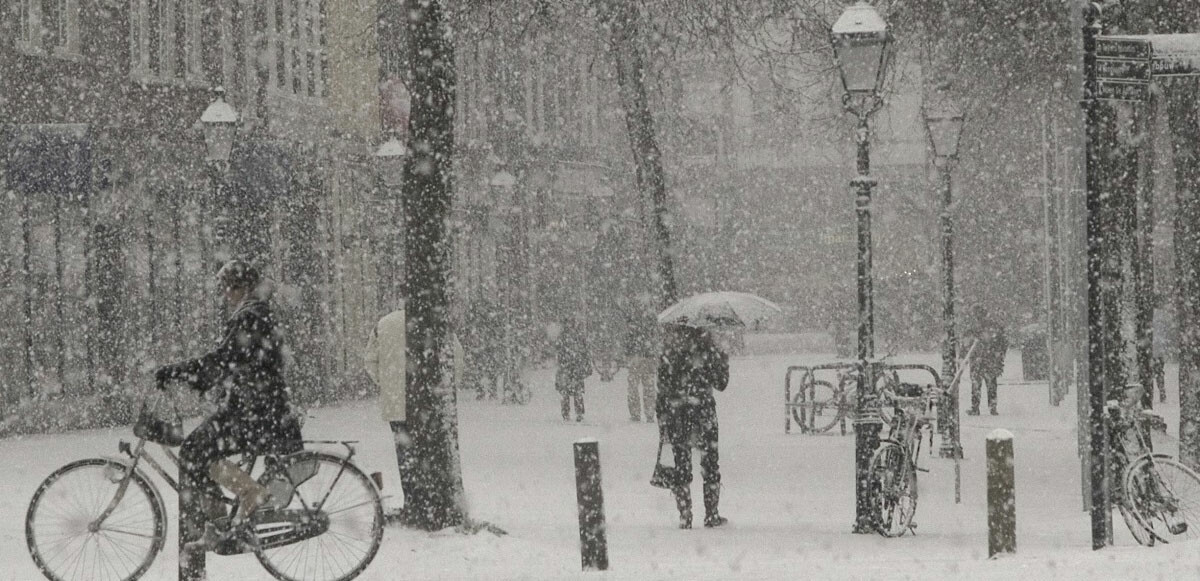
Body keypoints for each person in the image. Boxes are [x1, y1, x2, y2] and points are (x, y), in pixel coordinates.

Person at [155, 259, 302, 544]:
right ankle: (218, 525)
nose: (225, 295)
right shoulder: (259, 312)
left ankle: (246, 497)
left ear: (244, 287)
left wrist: (177, 372)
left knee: (193, 451)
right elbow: (234, 362)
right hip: (261, 408)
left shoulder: (250, 315)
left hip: (255, 412)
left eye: (228, 288)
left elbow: (222, 360)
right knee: (198, 451)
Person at [657, 324, 729, 529]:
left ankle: (685, 515)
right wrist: (722, 359)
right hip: (703, 412)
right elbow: (721, 383)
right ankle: (711, 514)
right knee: (710, 463)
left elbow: (662, 384)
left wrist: (663, 413)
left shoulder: (671, 349)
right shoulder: (710, 349)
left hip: (677, 412)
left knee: (681, 463)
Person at [364, 301, 414, 517]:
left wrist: (385, 383)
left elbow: (370, 360)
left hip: (395, 402)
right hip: (427, 403)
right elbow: (456, 356)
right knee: (430, 452)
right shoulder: (433, 322)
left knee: (405, 455)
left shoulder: (383, 324)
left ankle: (411, 499)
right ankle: (431, 502)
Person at [965, 305, 1008, 416]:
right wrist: (999, 354)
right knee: (990, 383)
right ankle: (992, 407)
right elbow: (1002, 341)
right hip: (989, 359)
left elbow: (967, 343)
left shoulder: (974, 327)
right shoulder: (993, 326)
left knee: (977, 383)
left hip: (980, 359)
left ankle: (976, 407)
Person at [624, 303, 660, 423]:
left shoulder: (633, 323)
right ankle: (649, 413)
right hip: (648, 357)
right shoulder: (651, 321)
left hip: (637, 357)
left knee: (634, 387)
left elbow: (628, 341)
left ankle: (636, 413)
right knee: (648, 387)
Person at [555, 316, 592, 422]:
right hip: (572, 366)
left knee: (571, 391)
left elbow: (584, 352)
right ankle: (573, 413)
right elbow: (585, 352)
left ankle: (572, 413)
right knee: (573, 391)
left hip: (571, 367)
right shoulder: (575, 336)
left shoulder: (565, 337)